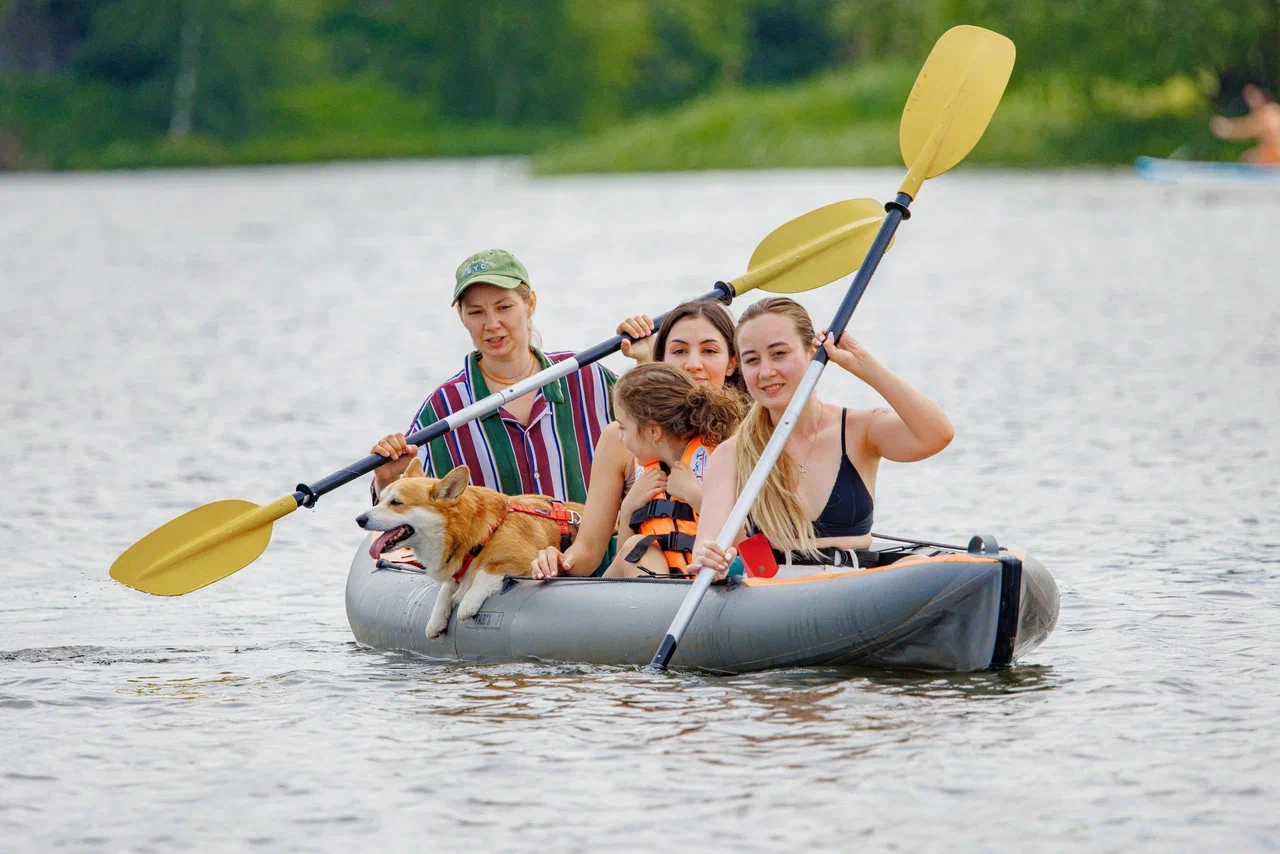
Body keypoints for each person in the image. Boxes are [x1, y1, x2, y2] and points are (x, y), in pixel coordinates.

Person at [690, 297, 954, 577]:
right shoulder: (732, 454)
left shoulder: (859, 429)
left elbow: (937, 435)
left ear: (811, 352)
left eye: (779, 354)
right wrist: (711, 561)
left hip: (856, 590)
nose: (766, 372)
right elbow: (705, 547)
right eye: (752, 360)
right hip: (775, 597)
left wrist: (864, 365)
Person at [370, 248, 651, 509]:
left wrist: (647, 361)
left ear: (530, 304)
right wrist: (388, 481)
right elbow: (405, 515)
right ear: (461, 316)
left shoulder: (589, 378)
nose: (492, 324)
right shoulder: (443, 408)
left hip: (602, 560)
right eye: (476, 312)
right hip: (499, 563)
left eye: (504, 307)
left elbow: (662, 440)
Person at [529, 300, 746, 579]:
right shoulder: (619, 439)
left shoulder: (743, 438)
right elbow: (587, 552)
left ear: (731, 364)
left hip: (716, 583)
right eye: (679, 351)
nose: (693, 364)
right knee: (636, 546)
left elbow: (751, 543)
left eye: (709, 351)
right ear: (662, 360)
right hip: (641, 585)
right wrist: (558, 562)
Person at [577, 363, 743, 577]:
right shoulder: (645, 480)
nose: (620, 436)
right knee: (637, 545)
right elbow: (624, 560)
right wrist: (628, 508)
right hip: (652, 593)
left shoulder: (720, 460)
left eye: (623, 427)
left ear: (654, 431)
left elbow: (746, 538)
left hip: (708, 586)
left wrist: (694, 496)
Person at [1211, 84, 1280, 165]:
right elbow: (1247, 124)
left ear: (1262, 96)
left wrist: (1227, 128)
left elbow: (1248, 128)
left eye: (1254, 97)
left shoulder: (1268, 113)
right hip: (1271, 152)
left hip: (1276, 153)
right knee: (1249, 157)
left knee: (1249, 159)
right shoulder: (1271, 110)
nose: (1251, 102)